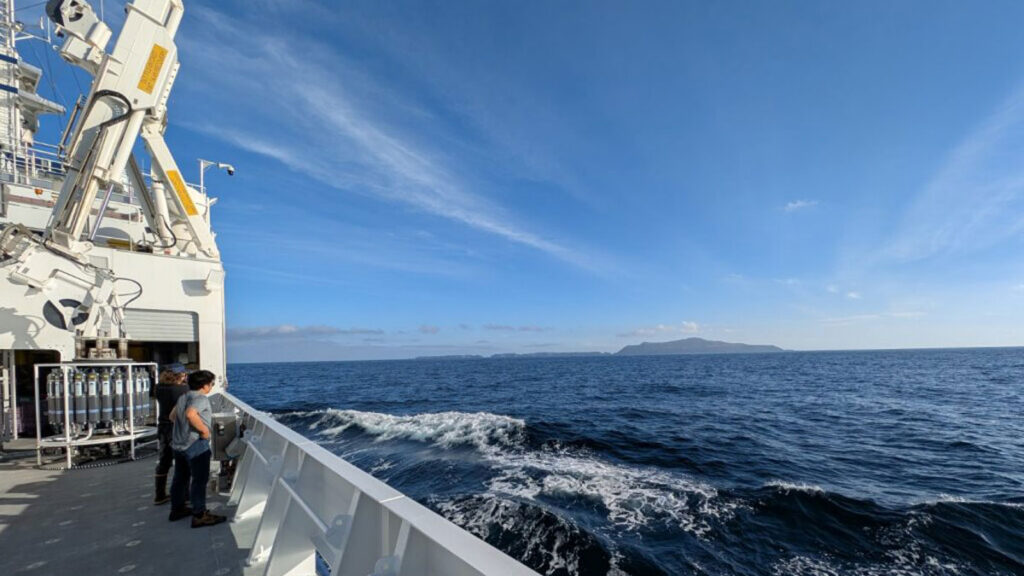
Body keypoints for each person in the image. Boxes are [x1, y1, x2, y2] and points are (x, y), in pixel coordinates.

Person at [168, 370, 226, 528]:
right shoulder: (200, 398)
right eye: (212, 383)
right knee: (199, 480)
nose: (212, 386)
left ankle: (177, 509)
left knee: (180, 478)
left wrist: (183, 430)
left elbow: (172, 416)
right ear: (205, 385)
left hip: (178, 444)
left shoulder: (183, 397)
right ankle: (199, 515)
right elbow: (191, 414)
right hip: (195, 445)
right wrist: (204, 431)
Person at [153, 364, 188, 504]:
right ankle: (184, 496)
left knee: (164, 461)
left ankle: (159, 495)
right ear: (179, 375)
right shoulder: (183, 389)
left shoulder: (158, 388)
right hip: (177, 428)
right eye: (184, 374)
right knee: (183, 464)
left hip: (163, 427)